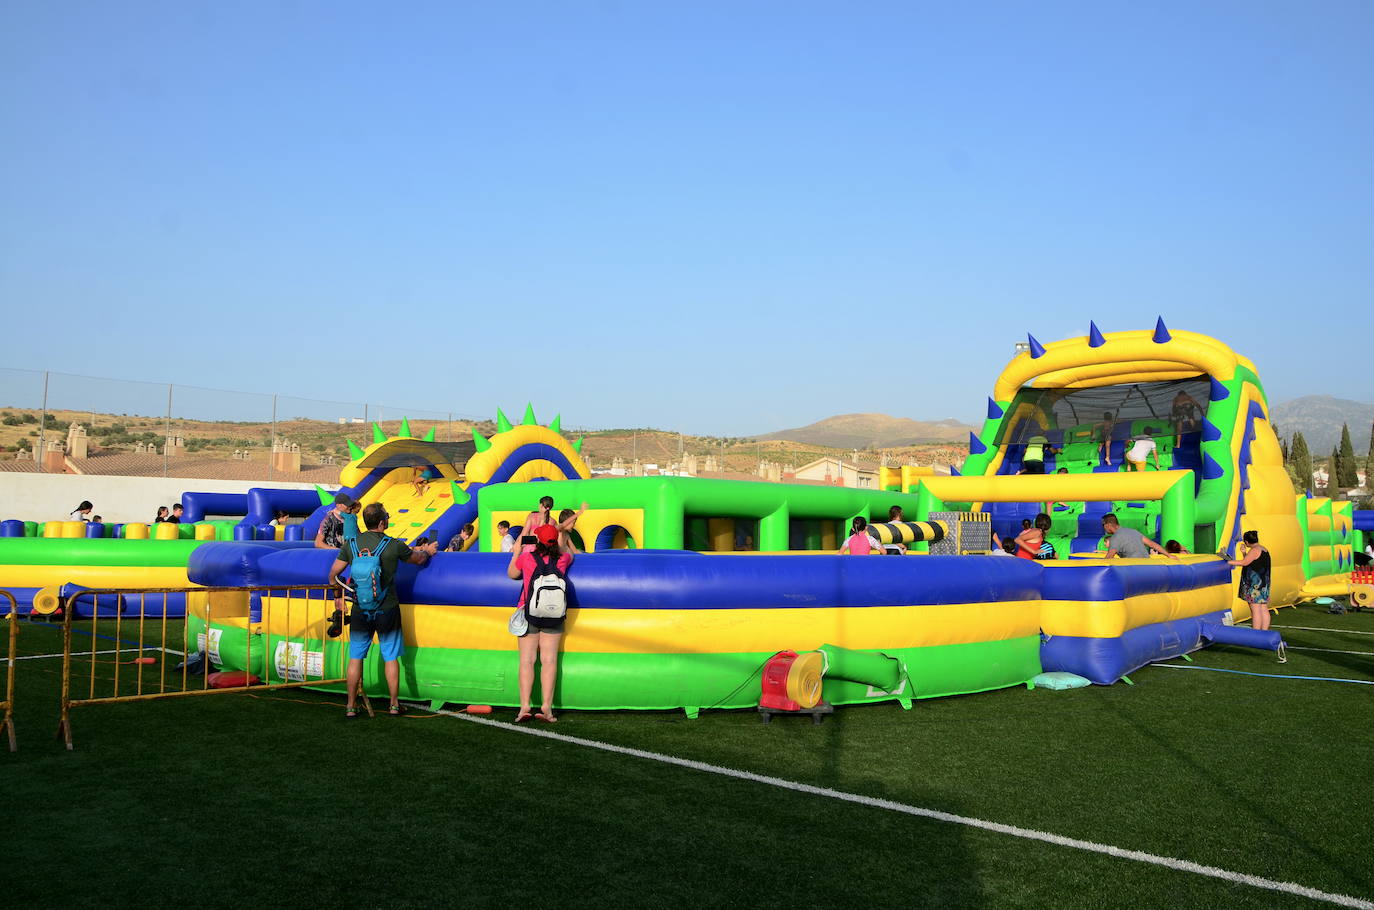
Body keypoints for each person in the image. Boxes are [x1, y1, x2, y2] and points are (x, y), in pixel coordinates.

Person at [328, 503, 438, 718]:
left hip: (360, 608)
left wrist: (340, 596)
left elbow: (333, 575)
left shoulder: (351, 544)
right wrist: (427, 550)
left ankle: (350, 705)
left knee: (355, 658)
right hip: (387, 608)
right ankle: (394, 704)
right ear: (381, 523)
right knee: (390, 657)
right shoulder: (394, 545)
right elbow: (418, 559)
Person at [506, 524, 573, 723]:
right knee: (549, 661)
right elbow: (569, 552)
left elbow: (511, 574)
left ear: (537, 540)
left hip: (529, 612)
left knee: (527, 660)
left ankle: (525, 706)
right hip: (553, 615)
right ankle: (546, 708)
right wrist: (562, 539)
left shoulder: (526, 558)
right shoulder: (563, 558)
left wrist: (516, 552)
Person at [1227, 531, 1272, 631]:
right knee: (1263, 608)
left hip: (1255, 585)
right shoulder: (1263, 549)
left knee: (1255, 609)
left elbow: (1244, 562)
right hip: (1263, 584)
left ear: (1247, 542)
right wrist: (1244, 553)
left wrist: (1228, 562)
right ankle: (1264, 631)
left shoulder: (1255, 550)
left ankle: (1256, 632)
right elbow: (1251, 562)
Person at [1101, 513, 1175, 559]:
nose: (1103, 528)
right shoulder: (1133, 531)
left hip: (1134, 568)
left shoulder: (1115, 538)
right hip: (1147, 565)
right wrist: (1169, 555)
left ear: (1108, 525)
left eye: (1103, 525)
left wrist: (1101, 567)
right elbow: (1152, 544)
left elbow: (1110, 556)